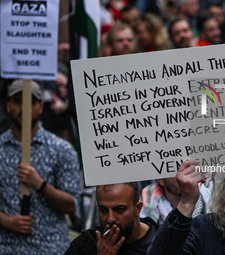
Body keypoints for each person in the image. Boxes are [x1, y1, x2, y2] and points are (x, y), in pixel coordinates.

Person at [0, 80, 81, 254]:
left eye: (31, 102)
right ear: (8, 106)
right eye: (18, 101)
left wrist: (40, 184)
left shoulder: (61, 149)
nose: (24, 107)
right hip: (7, 247)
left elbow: (72, 205)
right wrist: (6, 221)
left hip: (51, 248)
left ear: (41, 107)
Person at [65, 182, 158, 254]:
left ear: (137, 208)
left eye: (119, 209)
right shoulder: (84, 246)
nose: (110, 219)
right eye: (103, 210)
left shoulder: (163, 242)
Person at [140, 177, 211, 224]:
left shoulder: (206, 199)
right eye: (177, 170)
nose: (184, 176)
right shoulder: (149, 205)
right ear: (161, 179)